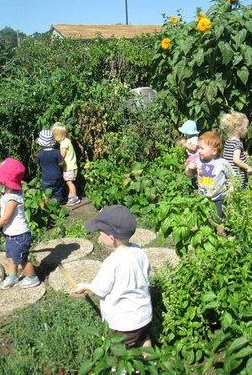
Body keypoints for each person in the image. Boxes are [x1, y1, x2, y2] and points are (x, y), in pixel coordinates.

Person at [73, 205, 152, 348]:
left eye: (100, 233)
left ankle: (121, 369)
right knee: (143, 339)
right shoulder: (139, 251)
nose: (98, 236)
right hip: (144, 316)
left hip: (123, 323)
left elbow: (101, 289)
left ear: (111, 238)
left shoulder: (112, 262)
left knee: (119, 349)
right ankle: (151, 363)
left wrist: (85, 286)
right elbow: (147, 275)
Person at [0, 157, 40, 289]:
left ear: (6, 180)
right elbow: (2, 200)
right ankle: (13, 276)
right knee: (10, 256)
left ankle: (32, 278)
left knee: (21, 259)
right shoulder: (7, 191)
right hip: (11, 234)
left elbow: (5, 219)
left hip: (19, 235)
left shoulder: (13, 198)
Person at [185, 131, 234, 235]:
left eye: (202, 148)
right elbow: (189, 175)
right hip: (202, 199)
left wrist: (231, 189)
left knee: (219, 220)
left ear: (214, 151)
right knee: (204, 219)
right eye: (198, 148)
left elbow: (232, 178)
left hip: (218, 198)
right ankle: (206, 238)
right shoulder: (198, 161)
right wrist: (189, 169)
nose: (198, 151)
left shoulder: (222, 163)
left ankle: (220, 236)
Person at [220, 112, 252, 186]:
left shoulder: (228, 141)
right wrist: (248, 167)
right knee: (237, 194)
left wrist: (243, 155)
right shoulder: (237, 143)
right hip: (236, 177)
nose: (247, 130)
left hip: (228, 175)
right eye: (246, 127)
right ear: (240, 129)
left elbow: (228, 156)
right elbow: (236, 160)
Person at [51, 122, 80, 206]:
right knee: (69, 181)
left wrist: (57, 161)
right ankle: (72, 196)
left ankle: (74, 197)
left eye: (55, 136)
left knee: (69, 182)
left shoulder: (63, 144)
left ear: (59, 135)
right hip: (72, 166)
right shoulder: (67, 141)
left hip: (69, 167)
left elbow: (62, 155)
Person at [36, 129, 67, 204]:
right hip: (57, 176)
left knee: (47, 193)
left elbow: (38, 163)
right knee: (58, 190)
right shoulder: (56, 152)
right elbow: (61, 163)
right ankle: (58, 203)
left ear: (41, 143)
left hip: (46, 177)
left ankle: (48, 205)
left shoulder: (40, 154)